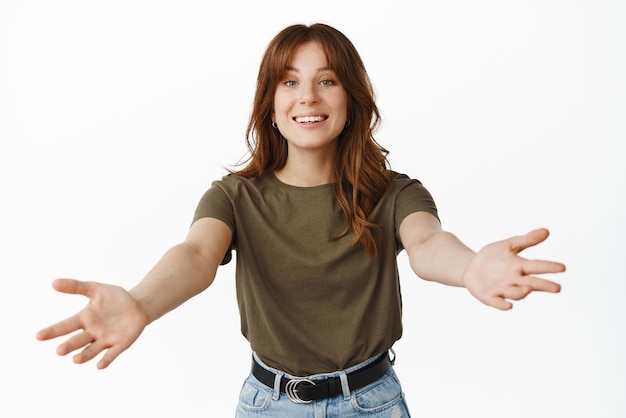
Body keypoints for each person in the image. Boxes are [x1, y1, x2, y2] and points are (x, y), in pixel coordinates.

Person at [36, 23, 566, 417]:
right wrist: (142, 302)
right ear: (270, 102)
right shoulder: (235, 196)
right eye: (289, 82)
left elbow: (428, 245)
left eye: (327, 81)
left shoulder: (394, 193)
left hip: (372, 404)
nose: (307, 96)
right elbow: (196, 256)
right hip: (268, 404)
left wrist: (471, 266)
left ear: (351, 100)